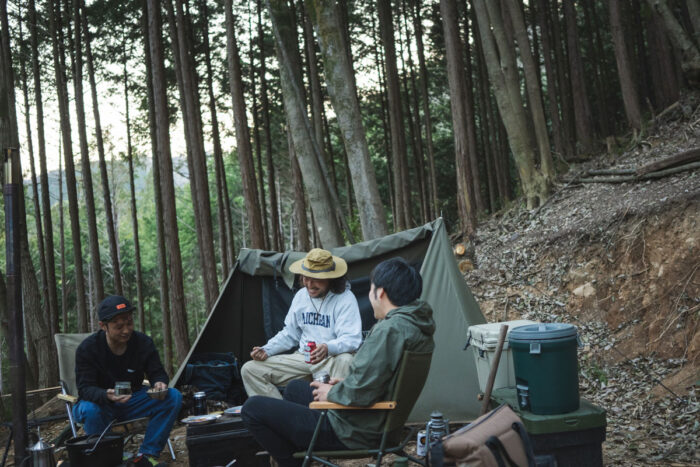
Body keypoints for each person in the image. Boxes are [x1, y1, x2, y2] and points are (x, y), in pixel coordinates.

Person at [241, 257, 435, 467]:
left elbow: (361, 390)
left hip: (352, 431)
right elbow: (377, 381)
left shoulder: (390, 331)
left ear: (380, 293)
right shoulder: (413, 325)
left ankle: (292, 463)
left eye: (371, 289)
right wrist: (342, 384)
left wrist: (332, 393)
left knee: (252, 408)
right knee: (296, 389)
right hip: (376, 424)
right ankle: (298, 450)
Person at [73, 295, 183, 467]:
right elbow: (85, 388)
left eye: (129, 323)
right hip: (99, 403)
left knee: (173, 396)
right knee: (90, 409)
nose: (126, 330)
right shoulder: (88, 349)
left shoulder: (142, 342)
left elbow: (157, 373)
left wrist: (160, 383)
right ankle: (107, 459)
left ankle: (147, 455)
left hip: (131, 400)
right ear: (104, 326)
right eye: (119, 326)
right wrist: (106, 395)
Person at [241, 248, 362, 399]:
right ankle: (281, 417)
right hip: (304, 358)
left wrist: (327, 347)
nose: (309, 284)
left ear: (331, 278)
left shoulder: (345, 298)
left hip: (332, 359)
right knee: (250, 369)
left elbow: (352, 339)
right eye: (306, 278)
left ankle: (334, 417)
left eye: (315, 279)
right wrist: (267, 349)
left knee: (346, 360)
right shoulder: (301, 296)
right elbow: (290, 333)